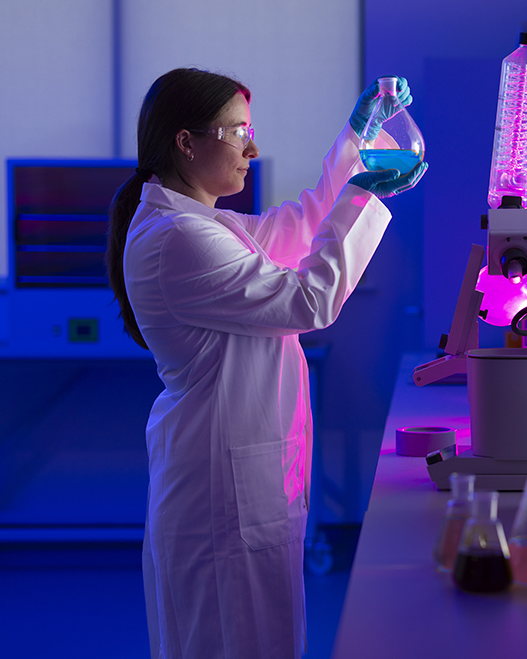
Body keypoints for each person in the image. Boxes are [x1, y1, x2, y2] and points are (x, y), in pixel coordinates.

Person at [105, 67, 426, 659]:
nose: (252, 147)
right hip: (218, 494)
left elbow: (298, 228)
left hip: (236, 479)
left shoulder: (202, 222)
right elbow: (311, 299)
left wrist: (355, 145)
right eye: (237, 132)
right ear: (186, 141)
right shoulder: (178, 237)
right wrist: (366, 192)